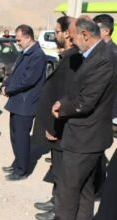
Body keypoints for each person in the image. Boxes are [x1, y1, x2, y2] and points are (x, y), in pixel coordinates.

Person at [52, 17, 117, 220]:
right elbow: (78, 89)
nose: (71, 42)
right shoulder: (93, 55)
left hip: (85, 138)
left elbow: (86, 101)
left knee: (67, 193)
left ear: (85, 35)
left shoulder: (104, 58)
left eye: (73, 38)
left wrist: (62, 110)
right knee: (84, 191)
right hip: (87, 137)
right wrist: (62, 101)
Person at [32, 16, 83, 220]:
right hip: (58, 126)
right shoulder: (67, 56)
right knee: (57, 169)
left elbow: (68, 96)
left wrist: (55, 127)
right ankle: (55, 201)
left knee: (64, 173)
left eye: (57, 31)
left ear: (67, 34)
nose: (55, 35)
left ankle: (60, 210)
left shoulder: (73, 59)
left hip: (63, 128)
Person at [2, 24, 46, 181]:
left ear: (28, 38)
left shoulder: (38, 55)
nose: (17, 42)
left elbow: (28, 80)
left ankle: (22, 170)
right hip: (18, 101)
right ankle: (17, 163)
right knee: (15, 136)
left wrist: (9, 89)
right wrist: (5, 84)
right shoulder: (25, 52)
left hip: (26, 103)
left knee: (21, 137)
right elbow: (15, 74)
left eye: (19, 39)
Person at [93, 14, 117, 138]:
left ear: (107, 31)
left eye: (96, 29)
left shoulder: (113, 53)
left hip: (106, 111)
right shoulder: (98, 51)